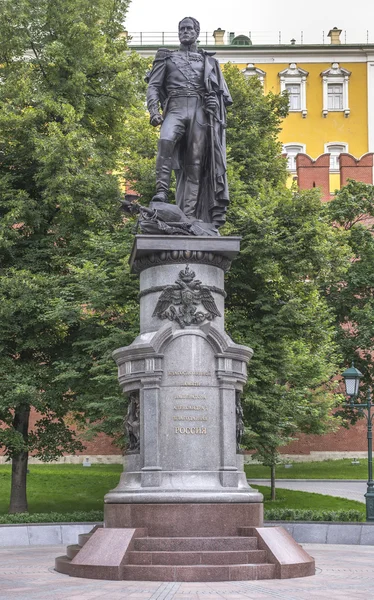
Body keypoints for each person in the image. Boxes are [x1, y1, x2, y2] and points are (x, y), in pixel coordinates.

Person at [146, 17, 232, 231]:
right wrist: (153, 111)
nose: (185, 32)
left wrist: (215, 102)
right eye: (181, 29)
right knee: (165, 141)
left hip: (199, 111)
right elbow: (153, 86)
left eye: (189, 28)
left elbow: (221, 96)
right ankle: (161, 193)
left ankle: (190, 215)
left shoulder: (208, 62)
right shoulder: (166, 57)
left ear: (197, 32)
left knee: (195, 164)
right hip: (174, 107)